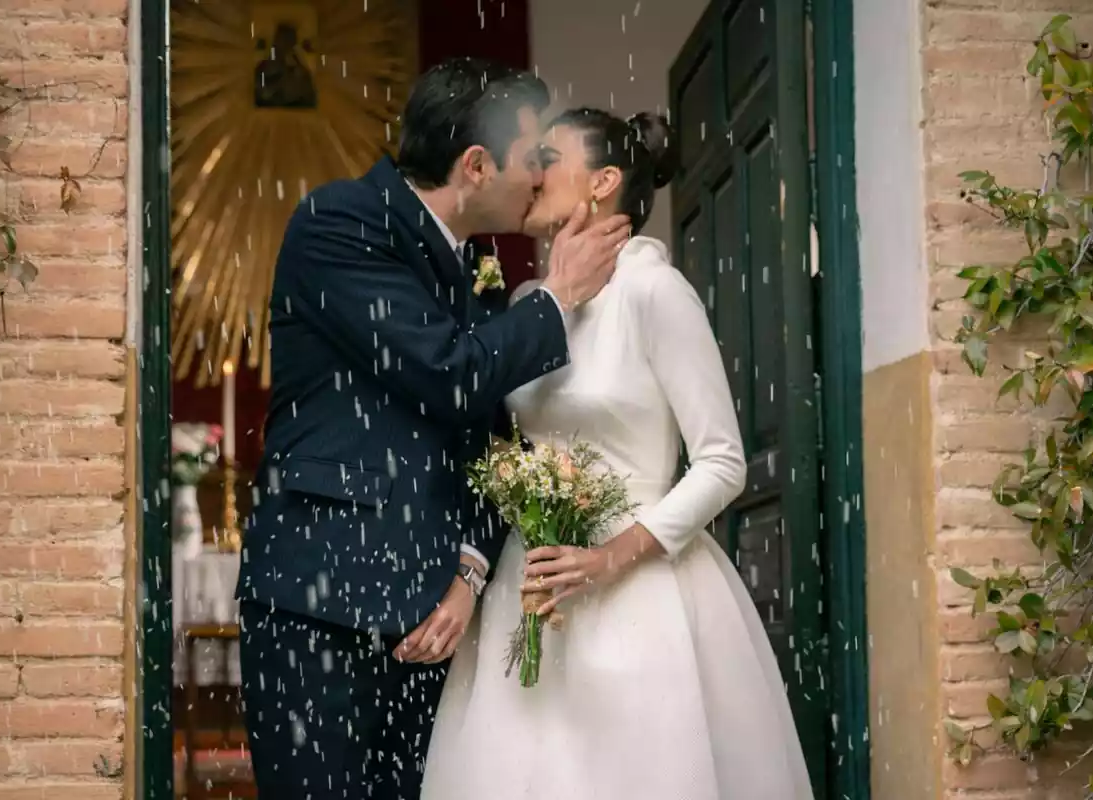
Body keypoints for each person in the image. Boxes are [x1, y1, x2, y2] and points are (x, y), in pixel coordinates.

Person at [234, 63, 632, 798]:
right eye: (531, 158)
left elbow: (490, 441)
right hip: (322, 611)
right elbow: (448, 373)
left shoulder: (473, 265)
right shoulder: (339, 222)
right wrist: (557, 297)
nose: (540, 175)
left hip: (433, 625)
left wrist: (470, 574)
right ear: (476, 166)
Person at [420, 107, 816, 799]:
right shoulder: (526, 301)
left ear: (604, 181)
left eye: (551, 155)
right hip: (534, 588)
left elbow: (724, 461)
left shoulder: (654, 291)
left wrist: (609, 557)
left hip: (642, 592)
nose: (532, 170)